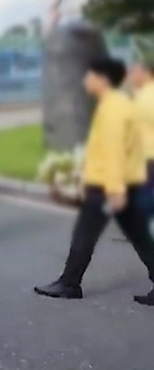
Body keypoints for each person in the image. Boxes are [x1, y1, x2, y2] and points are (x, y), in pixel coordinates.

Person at [33, 57, 154, 305]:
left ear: (102, 79)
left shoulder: (114, 108)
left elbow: (114, 152)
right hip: (120, 184)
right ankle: (69, 282)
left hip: (109, 187)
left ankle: (69, 283)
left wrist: (114, 189)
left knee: (85, 233)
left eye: (89, 76)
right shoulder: (115, 104)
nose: (85, 81)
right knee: (139, 235)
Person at [132, 56, 154, 222]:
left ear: (146, 73)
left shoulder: (145, 97)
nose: (132, 75)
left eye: (136, 72)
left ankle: (143, 229)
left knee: (146, 193)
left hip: (148, 155)